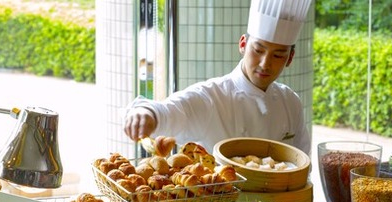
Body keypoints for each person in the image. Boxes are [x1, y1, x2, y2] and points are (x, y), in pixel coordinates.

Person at [123, 0, 313, 156]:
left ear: (290, 58)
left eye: (278, 55)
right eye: (258, 50)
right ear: (243, 44)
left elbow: (303, 164)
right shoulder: (212, 97)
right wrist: (147, 112)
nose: (265, 63)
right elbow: (173, 110)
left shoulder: (290, 102)